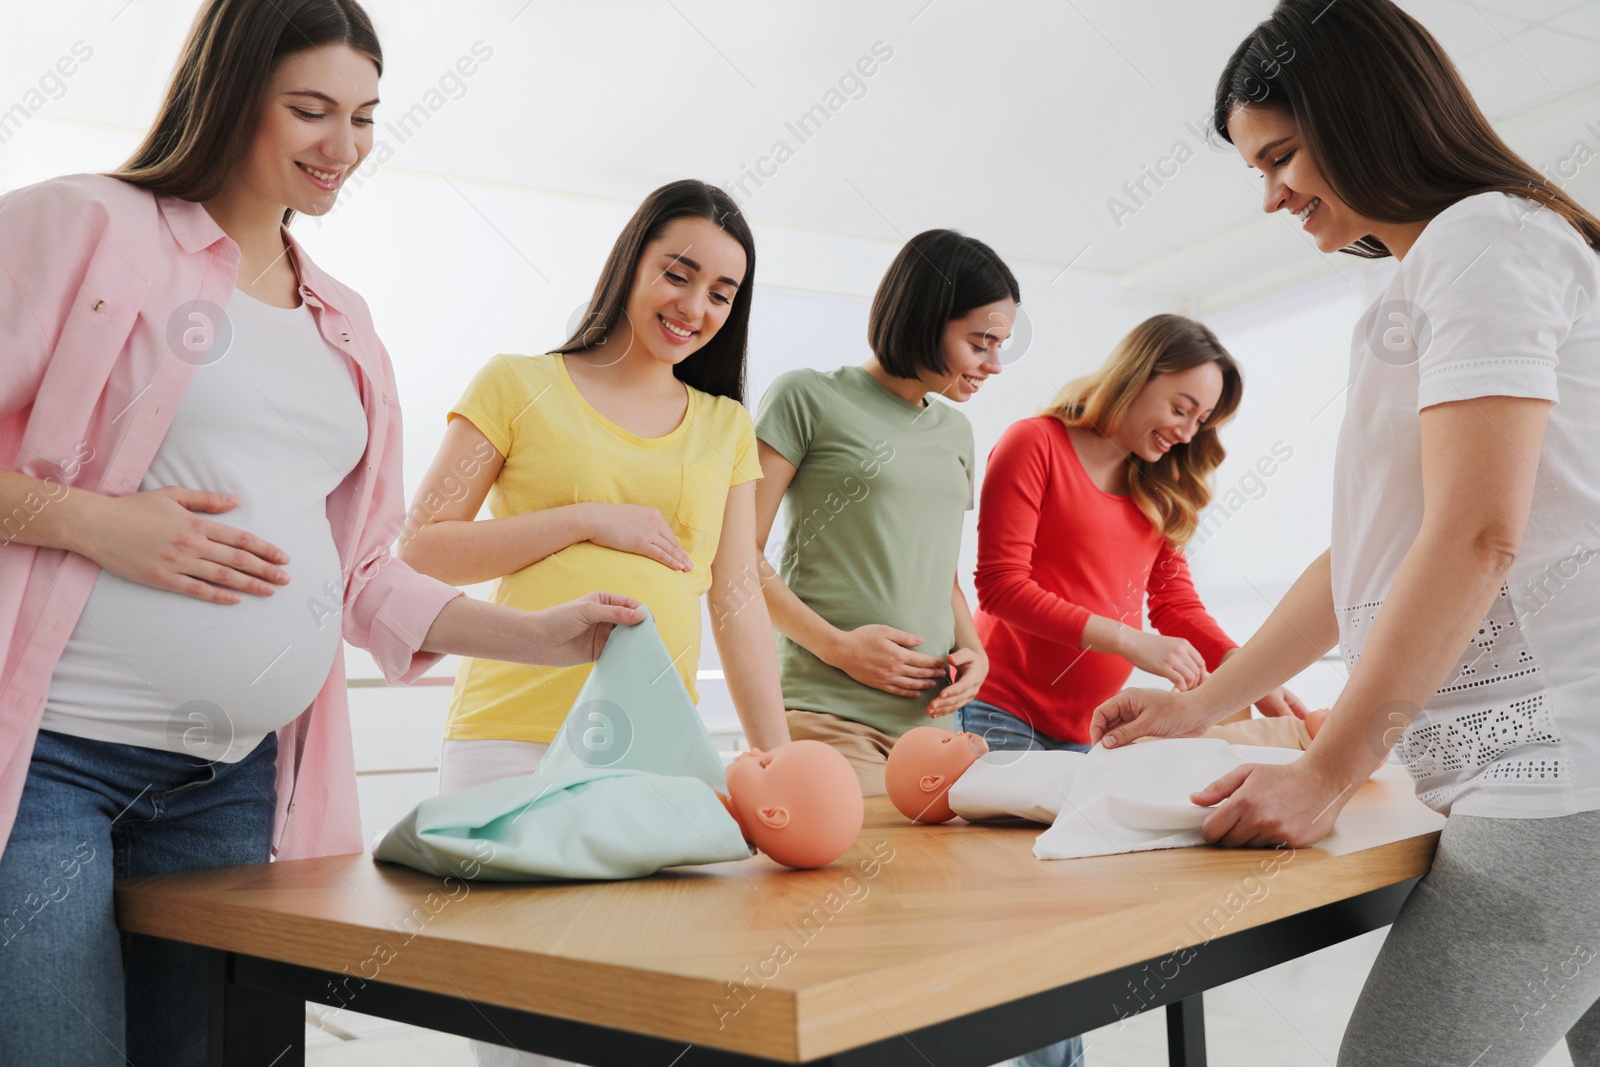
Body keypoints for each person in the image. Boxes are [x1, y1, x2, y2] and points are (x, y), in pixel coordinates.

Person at [0, 2, 645, 1065]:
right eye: (311, 110)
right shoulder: (88, 227)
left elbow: (358, 575)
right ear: (229, 93)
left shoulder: (343, 323)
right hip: (54, 764)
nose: (342, 148)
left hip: (235, 782)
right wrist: (95, 524)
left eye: (364, 116)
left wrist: (544, 635)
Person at [1091, 2, 1600, 1064]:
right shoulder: (1424, 279)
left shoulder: (1484, 242)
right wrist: (1201, 701)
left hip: (1568, 769)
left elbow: (1474, 536)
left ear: (1364, 112)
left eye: (1280, 156)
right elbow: (1364, 555)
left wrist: (1326, 770)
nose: (1272, 194)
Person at [961, 314, 1314, 763]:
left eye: (1200, 420)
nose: (1187, 433)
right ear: (1135, 376)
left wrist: (1248, 671)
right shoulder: (1035, 444)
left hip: (1094, 727)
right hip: (1001, 712)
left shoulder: (1159, 489)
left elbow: (1175, 604)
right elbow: (1001, 587)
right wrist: (1129, 640)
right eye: (1180, 409)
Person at [752, 229, 1016, 796]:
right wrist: (837, 648)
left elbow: (934, 568)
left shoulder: (955, 430)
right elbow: (735, 560)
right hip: (830, 716)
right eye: (981, 342)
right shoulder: (807, 397)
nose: (994, 364)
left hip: (935, 728)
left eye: (1001, 346)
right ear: (926, 318)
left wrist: (976, 653)